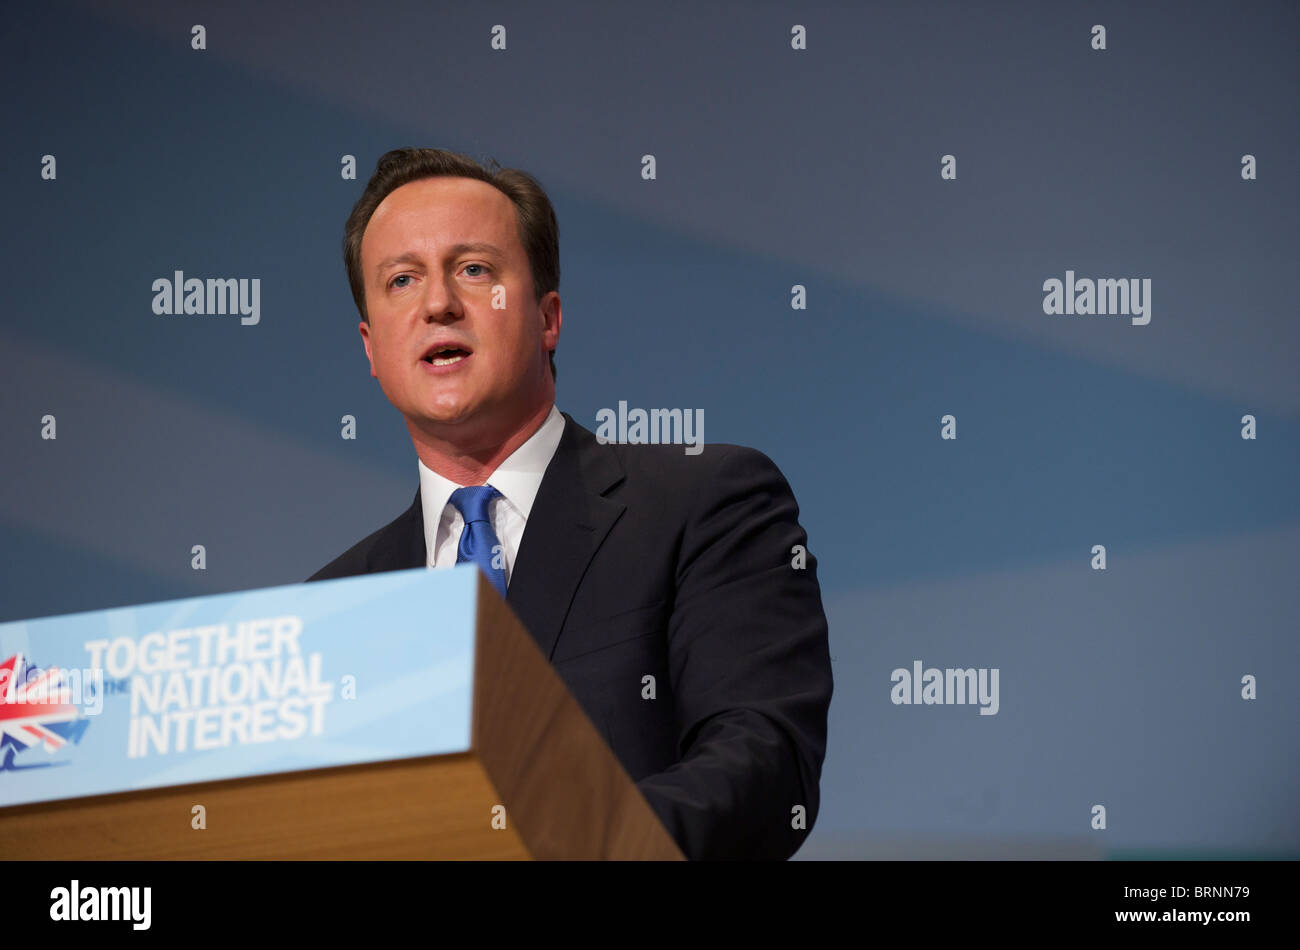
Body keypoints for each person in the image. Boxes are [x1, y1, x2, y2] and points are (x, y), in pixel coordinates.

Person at [307, 147, 833, 860]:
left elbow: (765, 765)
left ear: (547, 318)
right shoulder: (334, 608)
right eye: (402, 280)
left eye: (474, 270)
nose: (437, 304)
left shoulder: (705, 503)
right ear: (371, 348)